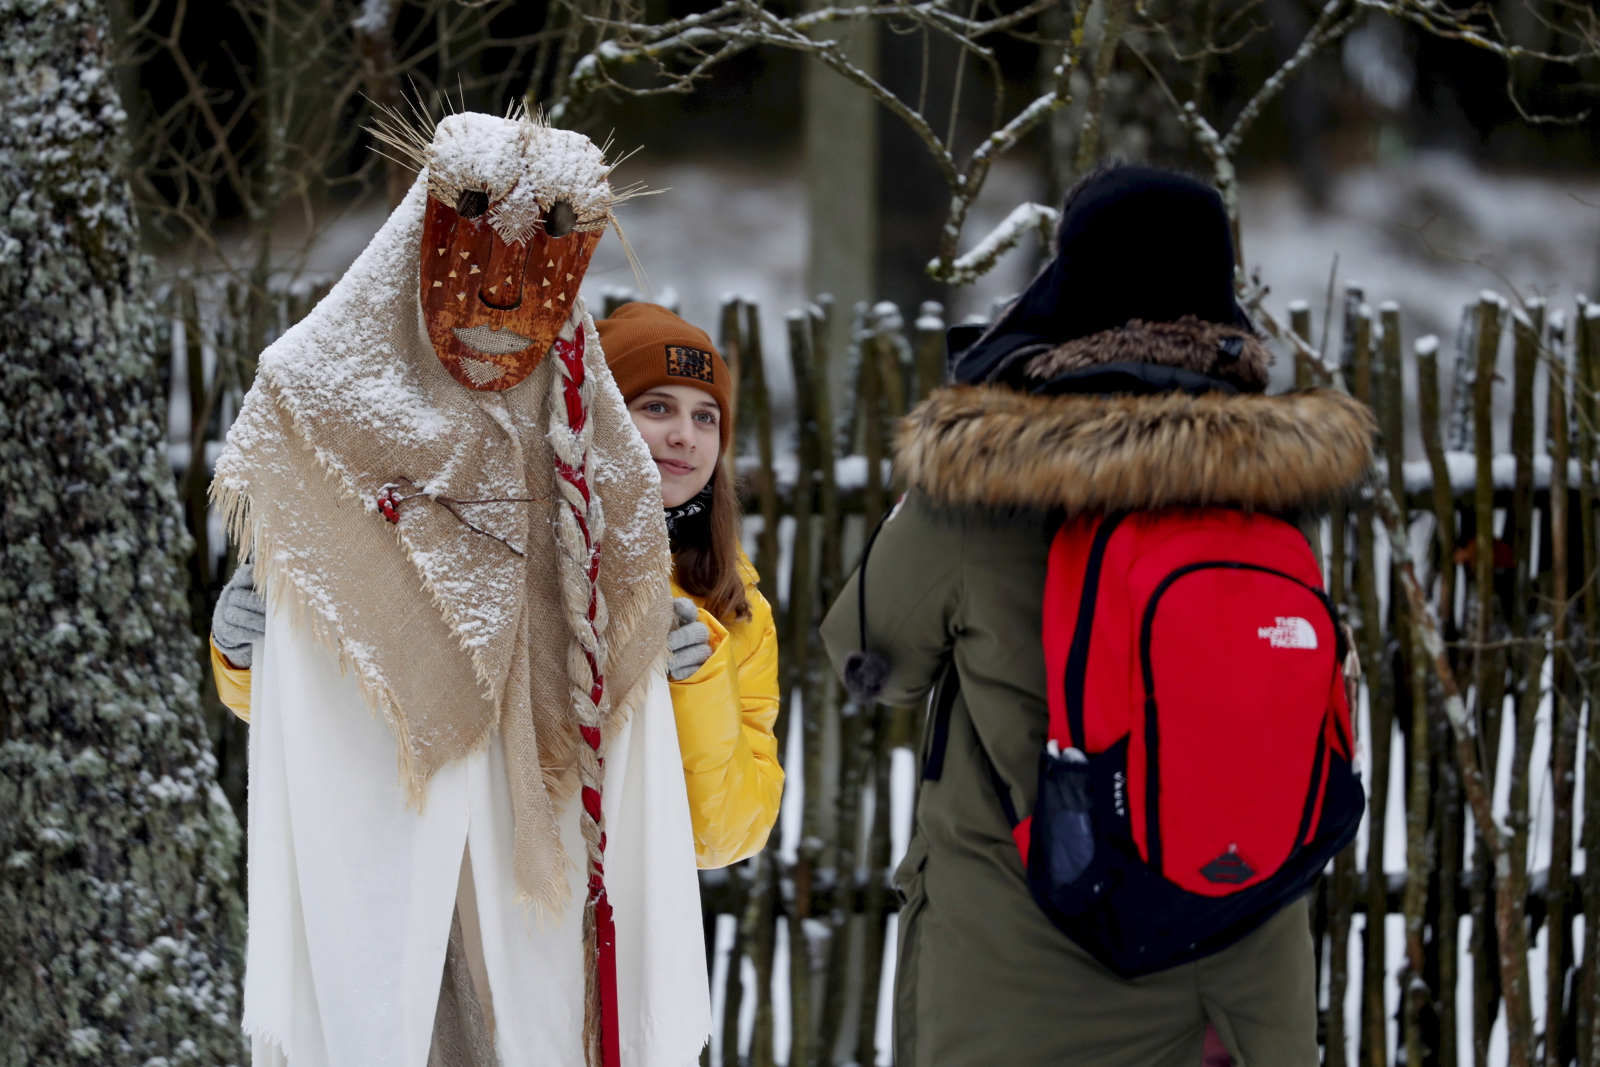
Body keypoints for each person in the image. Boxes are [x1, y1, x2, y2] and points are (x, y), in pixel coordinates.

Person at [820, 164, 1375, 1067]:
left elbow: (866, 657)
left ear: (1067, 278)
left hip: (1021, 991)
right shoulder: (1278, 489)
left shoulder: (978, 483)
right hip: (1241, 1000)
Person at [207, 109, 708, 1067]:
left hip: (544, 865)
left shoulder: (599, 460)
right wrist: (249, 650)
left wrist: (680, 660)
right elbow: (318, 684)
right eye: (475, 250)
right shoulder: (319, 419)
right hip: (380, 838)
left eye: (543, 267)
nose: (504, 288)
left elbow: (690, 776)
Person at [595, 301, 783, 869]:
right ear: (600, 415)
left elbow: (726, 837)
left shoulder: (734, 605)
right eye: (657, 407)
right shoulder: (514, 550)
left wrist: (698, 679)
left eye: (707, 417)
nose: (686, 436)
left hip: (637, 908)